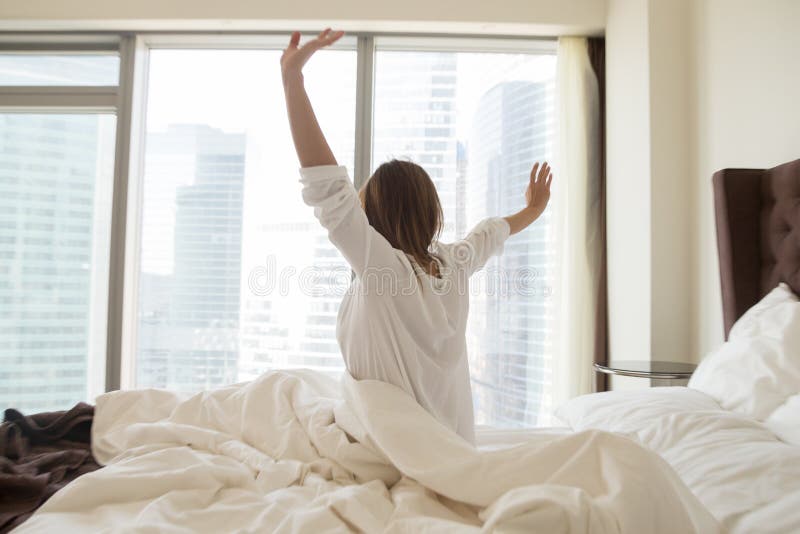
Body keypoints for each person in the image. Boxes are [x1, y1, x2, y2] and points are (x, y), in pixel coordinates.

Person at [281, 28, 552, 444]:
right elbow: (491, 232)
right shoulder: (453, 263)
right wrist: (532, 210)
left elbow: (327, 187)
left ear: (371, 212)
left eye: (361, 199)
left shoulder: (379, 264)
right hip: (454, 444)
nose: (354, 200)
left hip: (395, 453)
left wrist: (292, 80)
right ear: (431, 212)